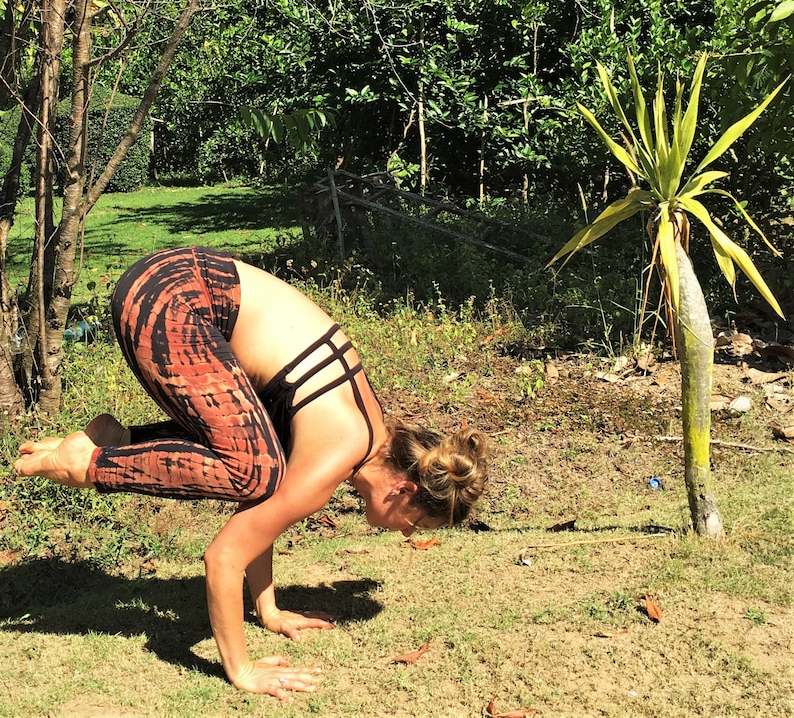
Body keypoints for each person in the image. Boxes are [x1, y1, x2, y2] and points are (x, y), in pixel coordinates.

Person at [14, 246, 489, 702]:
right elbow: (224, 557)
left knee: (258, 467)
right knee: (251, 472)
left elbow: (264, 510)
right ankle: (89, 462)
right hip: (170, 299)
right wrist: (241, 669)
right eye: (417, 523)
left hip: (168, 285)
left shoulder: (365, 430)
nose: (407, 534)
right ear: (404, 489)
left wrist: (269, 609)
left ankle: (113, 441)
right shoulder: (340, 452)